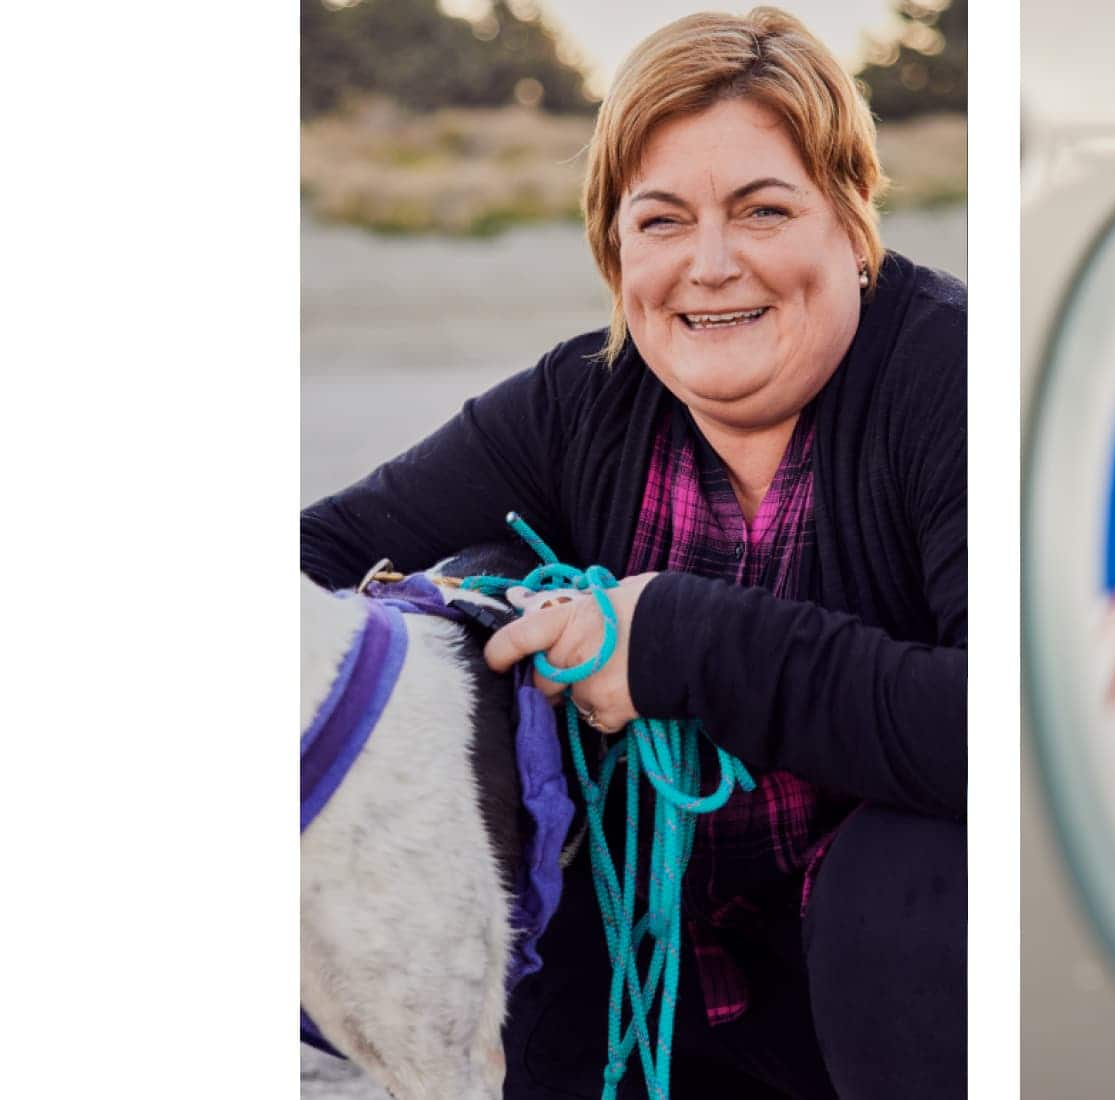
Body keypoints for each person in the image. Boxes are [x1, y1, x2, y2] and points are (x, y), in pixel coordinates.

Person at [298, 9, 963, 1097]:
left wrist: (679, 639)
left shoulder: (947, 381)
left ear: (851, 219)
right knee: (464, 588)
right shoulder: (578, 404)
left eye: (762, 208)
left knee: (907, 875)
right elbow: (309, 560)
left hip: (898, 996)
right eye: (660, 220)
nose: (708, 265)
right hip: (644, 993)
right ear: (615, 247)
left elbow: (1003, 727)